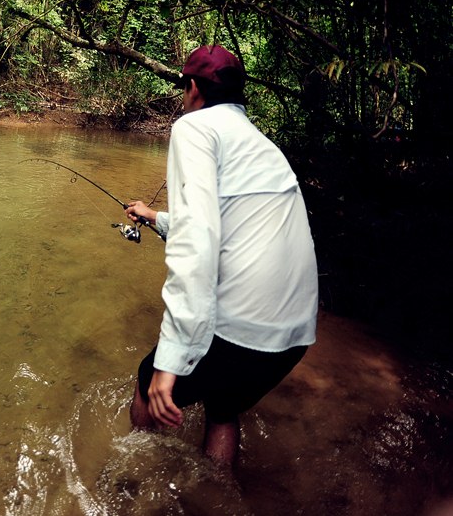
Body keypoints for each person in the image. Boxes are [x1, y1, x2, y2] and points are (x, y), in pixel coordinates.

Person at [124, 45, 318, 468]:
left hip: (243, 331)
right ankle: (217, 497)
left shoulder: (193, 128)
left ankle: (130, 481)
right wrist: (154, 216)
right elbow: (224, 226)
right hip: (293, 337)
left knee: (146, 379)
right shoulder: (262, 146)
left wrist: (169, 361)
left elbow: (197, 242)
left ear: (193, 88)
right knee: (224, 406)